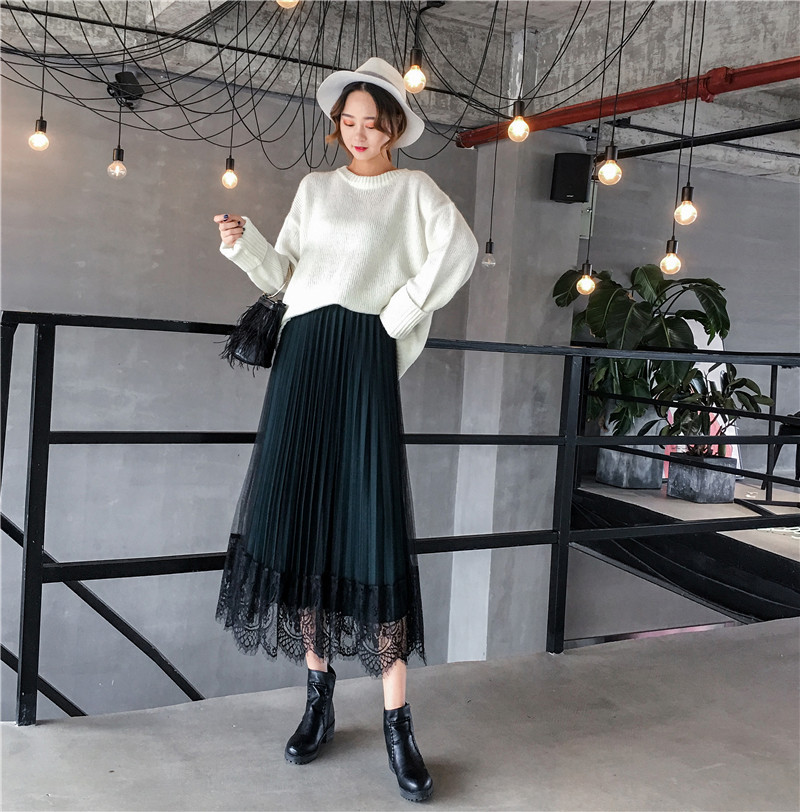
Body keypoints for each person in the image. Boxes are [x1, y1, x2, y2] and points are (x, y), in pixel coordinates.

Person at [213, 57, 478, 803]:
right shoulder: (315, 189)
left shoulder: (415, 191)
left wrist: (396, 315)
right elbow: (287, 276)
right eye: (349, 122)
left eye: (372, 122)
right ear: (339, 126)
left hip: (361, 356)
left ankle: (398, 725)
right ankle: (318, 698)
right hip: (302, 355)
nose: (359, 133)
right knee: (304, 520)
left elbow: (458, 252)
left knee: (372, 522)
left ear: (393, 127)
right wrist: (243, 242)